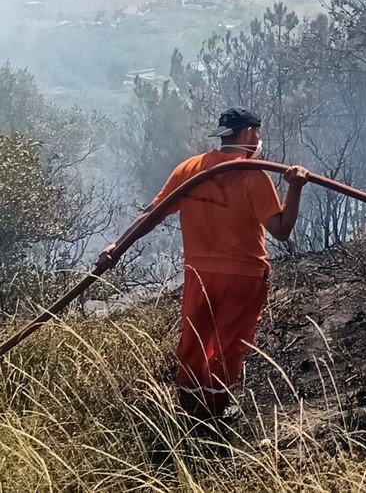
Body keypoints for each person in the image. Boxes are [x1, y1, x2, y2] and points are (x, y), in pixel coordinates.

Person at [97, 107, 308, 420]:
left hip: (199, 275)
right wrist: (295, 187)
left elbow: (152, 215)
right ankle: (214, 417)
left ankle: (190, 415)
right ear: (250, 133)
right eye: (258, 134)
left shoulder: (189, 169)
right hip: (243, 278)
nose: (259, 140)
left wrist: (118, 246)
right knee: (227, 347)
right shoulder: (254, 175)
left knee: (194, 345)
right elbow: (280, 231)